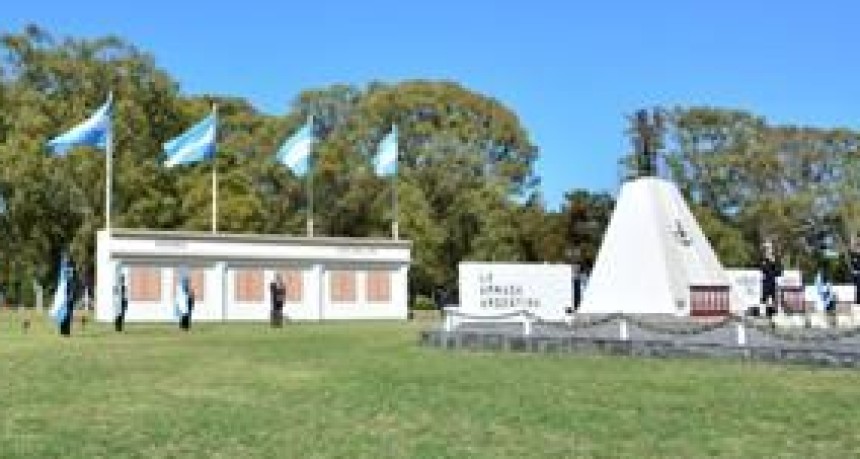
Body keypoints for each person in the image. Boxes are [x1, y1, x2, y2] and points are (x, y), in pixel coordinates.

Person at [760, 240, 783, 318]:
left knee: (774, 297)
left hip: (773, 281)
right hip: (766, 281)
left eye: (769, 249)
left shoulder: (775, 260)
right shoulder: (763, 260)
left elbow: (779, 272)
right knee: (764, 297)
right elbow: (764, 270)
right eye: (767, 249)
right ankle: (763, 313)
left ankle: (776, 312)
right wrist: (768, 262)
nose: (768, 251)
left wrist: (773, 264)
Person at [849, 235, 860, 305]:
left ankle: (858, 301)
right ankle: (857, 301)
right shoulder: (854, 254)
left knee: (858, 288)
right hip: (857, 274)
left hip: (858, 273)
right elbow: (852, 249)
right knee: (857, 288)